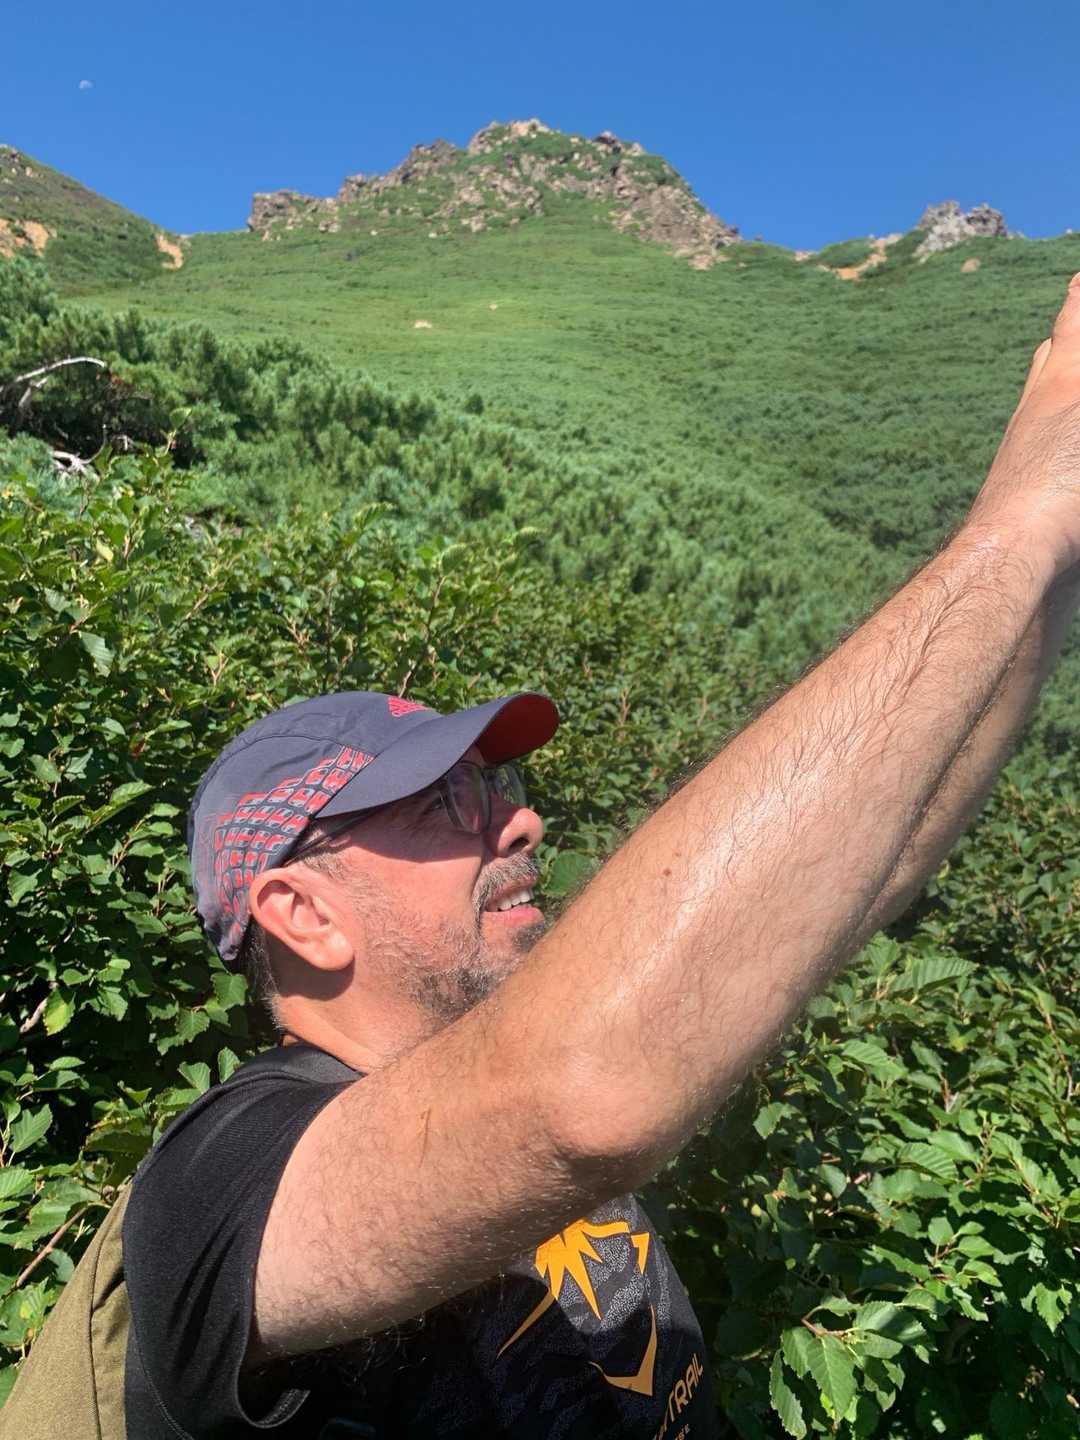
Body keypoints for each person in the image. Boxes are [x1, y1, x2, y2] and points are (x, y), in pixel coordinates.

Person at [120, 278, 1080, 1439]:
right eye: (446, 803)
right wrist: (1014, 527)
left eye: (503, 790)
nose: (520, 824)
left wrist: (1053, 555)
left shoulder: (509, 1040)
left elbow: (878, 863)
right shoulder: (218, 1181)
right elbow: (583, 1098)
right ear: (302, 912)